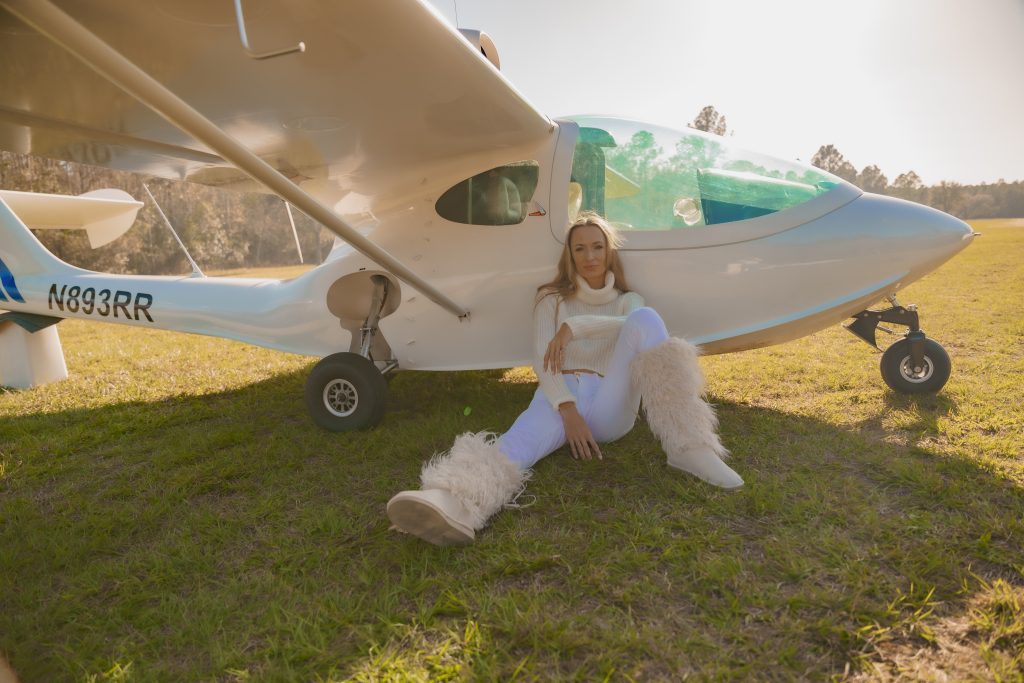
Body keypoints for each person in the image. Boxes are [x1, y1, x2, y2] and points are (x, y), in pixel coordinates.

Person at [387, 212, 743, 545]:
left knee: (648, 319)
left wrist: (576, 327)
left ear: (609, 251)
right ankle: (450, 503)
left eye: (598, 246)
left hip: (609, 399)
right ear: (570, 256)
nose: (590, 256)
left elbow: (633, 327)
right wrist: (567, 409)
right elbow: (543, 361)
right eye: (580, 248)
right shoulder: (551, 299)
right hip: (559, 395)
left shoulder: (628, 301)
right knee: (515, 447)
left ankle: (689, 448)